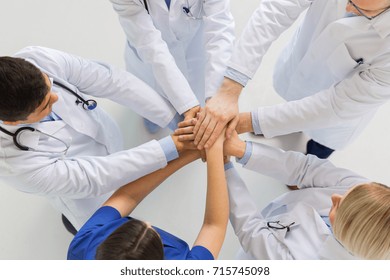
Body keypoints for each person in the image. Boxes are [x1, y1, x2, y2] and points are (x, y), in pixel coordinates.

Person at [0, 46, 192, 233]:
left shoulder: (38, 59)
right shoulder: (11, 163)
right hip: (87, 194)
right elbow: (93, 177)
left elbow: (111, 81)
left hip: (105, 139)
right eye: (45, 105)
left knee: (120, 169)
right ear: (12, 121)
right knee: (108, 223)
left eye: (50, 85)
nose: (56, 97)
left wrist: (176, 120)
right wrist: (172, 146)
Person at [192, 0, 390, 160]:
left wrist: (246, 123)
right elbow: (275, 10)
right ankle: (279, 127)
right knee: (291, 107)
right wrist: (229, 89)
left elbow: (334, 106)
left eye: (359, 9)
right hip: (301, 69)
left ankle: (306, 164)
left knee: (319, 147)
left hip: (337, 114)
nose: (346, 7)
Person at [221, 130, 390, 259]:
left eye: (339, 207)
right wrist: (241, 149)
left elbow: (251, 231)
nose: (335, 197)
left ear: (348, 231)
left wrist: (224, 166)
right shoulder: (362, 190)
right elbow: (305, 169)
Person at [67, 131, 228, 260]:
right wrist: (214, 148)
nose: (149, 223)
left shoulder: (84, 245)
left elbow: (128, 196)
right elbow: (213, 225)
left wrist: (192, 152)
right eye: (151, 230)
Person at [109, 0, 235, 131]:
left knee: (200, 95)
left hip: (194, 47)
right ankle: (153, 117)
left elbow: (220, 29)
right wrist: (188, 105)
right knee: (152, 103)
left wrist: (215, 97)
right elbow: (151, 47)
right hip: (148, 59)